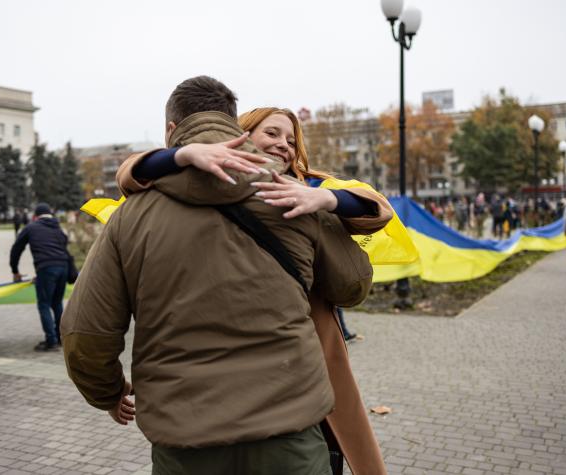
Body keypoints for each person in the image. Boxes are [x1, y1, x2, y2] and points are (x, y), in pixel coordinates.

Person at [62, 76, 382, 475]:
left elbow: (85, 332)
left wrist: (108, 393)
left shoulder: (129, 217)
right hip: (289, 431)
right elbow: (353, 285)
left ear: (171, 131)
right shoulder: (293, 199)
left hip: (185, 438)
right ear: (236, 126)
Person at [10, 203, 71, 351]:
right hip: (63, 268)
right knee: (57, 303)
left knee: (44, 304)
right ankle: (61, 338)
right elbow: (64, 245)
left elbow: (16, 248)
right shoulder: (58, 228)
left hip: (46, 268)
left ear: (35, 216)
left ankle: (51, 341)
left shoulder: (31, 227)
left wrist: (15, 270)